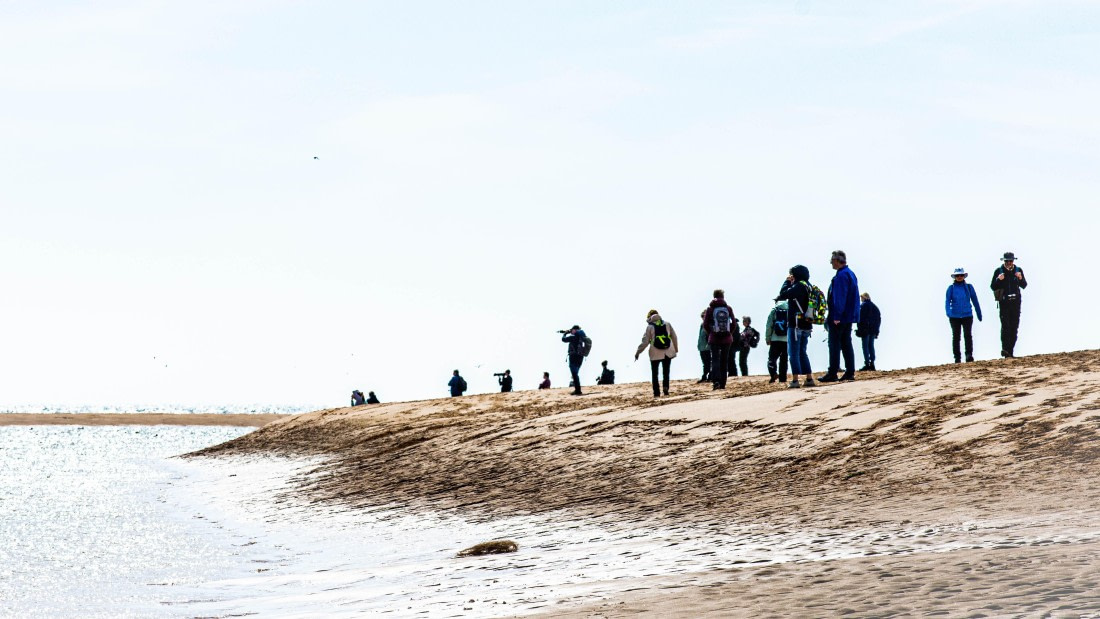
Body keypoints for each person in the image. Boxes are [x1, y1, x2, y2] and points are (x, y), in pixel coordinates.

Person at [820, 250, 860, 383]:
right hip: (848, 316)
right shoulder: (850, 274)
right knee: (846, 343)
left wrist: (836, 315)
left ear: (838, 261)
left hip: (840, 316)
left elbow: (840, 297)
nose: (831, 262)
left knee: (835, 344)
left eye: (832, 260)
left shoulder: (842, 276)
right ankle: (849, 372)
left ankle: (833, 372)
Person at [777, 265, 816, 389]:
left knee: (793, 353)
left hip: (796, 324)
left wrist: (787, 281)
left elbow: (783, 294)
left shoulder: (798, 286)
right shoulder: (809, 286)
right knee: (802, 352)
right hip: (807, 323)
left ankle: (795, 380)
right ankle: (809, 378)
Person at [990, 251, 1028, 358]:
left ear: (1013, 261)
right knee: (1005, 327)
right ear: (1004, 261)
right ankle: (1005, 350)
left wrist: (1020, 278)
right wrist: (998, 279)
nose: (1009, 263)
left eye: (1011, 261)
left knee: (1014, 327)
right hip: (1004, 302)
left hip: (1015, 302)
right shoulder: (998, 271)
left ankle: (1010, 351)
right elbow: (993, 286)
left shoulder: (1018, 270)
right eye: (1007, 261)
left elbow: (1024, 285)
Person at [635, 309, 679, 397]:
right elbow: (674, 337)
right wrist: (676, 349)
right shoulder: (667, 324)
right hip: (668, 351)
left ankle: (656, 392)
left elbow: (645, 342)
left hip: (655, 353)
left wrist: (638, 352)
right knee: (666, 372)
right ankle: (666, 387)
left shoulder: (650, 327)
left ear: (649, 317)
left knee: (655, 373)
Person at [946, 268, 983, 363]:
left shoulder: (969, 287)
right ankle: (957, 358)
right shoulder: (951, 288)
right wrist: (949, 312)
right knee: (956, 337)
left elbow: (975, 300)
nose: (959, 277)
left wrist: (979, 313)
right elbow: (947, 301)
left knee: (968, 335)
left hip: (967, 315)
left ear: (964, 276)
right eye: (957, 276)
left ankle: (969, 355)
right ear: (954, 277)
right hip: (954, 317)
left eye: (961, 275)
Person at [702, 289, 737, 390]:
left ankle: (716, 381)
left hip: (714, 338)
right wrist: (729, 333)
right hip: (727, 338)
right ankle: (723, 383)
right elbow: (734, 323)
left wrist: (711, 333)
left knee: (715, 360)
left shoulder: (710, 309)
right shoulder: (728, 308)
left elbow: (705, 324)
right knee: (724, 360)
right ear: (723, 296)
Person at [764, 299, 789, 384]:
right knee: (784, 360)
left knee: (772, 359)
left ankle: (773, 374)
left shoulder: (774, 311)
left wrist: (768, 338)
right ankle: (783, 378)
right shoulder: (790, 310)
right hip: (787, 339)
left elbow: (769, 326)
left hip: (775, 339)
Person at [561, 326, 591, 395]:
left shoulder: (573, 337)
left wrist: (565, 333)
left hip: (573, 357)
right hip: (580, 357)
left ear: (575, 330)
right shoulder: (582, 337)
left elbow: (563, 339)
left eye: (572, 330)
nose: (571, 331)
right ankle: (577, 389)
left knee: (574, 374)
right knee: (575, 373)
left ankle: (578, 390)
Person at [855, 292, 882, 371]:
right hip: (873, 330)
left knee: (865, 347)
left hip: (865, 330)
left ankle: (867, 364)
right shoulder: (875, 307)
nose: (861, 300)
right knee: (871, 346)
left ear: (864, 297)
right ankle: (872, 363)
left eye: (861, 298)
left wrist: (859, 329)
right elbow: (878, 320)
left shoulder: (863, 306)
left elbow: (860, 318)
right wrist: (877, 331)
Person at [696, 311, 711, 383]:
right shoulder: (702, 325)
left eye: (704, 316)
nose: (703, 318)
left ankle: (708, 376)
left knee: (708, 362)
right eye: (702, 316)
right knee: (705, 363)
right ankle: (705, 376)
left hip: (707, 347)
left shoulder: (709, 324)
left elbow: (709, 335)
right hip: (702, 347)